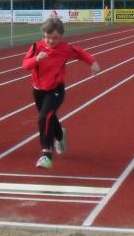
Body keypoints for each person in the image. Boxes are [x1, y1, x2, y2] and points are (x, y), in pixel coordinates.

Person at [22, 17, 100, 169]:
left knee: (44, 118)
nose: (51, 41)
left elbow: (80, 53)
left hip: (56, 90)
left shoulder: (65, 48)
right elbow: (25, 65)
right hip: (38, 91)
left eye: (55, 38)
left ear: (62, 37)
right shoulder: (36, 47)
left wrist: (93, 62)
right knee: (49, 118)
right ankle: (60, 134)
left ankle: (46, 155)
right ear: (43, 35)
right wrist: (36, 59)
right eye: (48, 37)